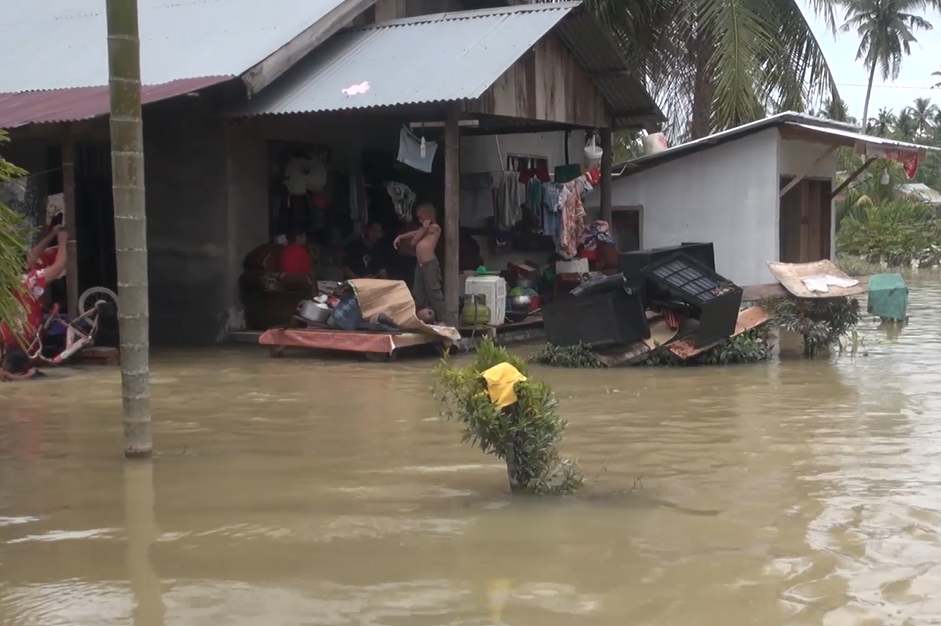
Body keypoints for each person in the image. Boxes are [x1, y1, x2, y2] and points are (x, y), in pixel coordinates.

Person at [1, 226, 68, 355]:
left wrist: (52, 235)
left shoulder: (13, 279)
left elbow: (34, 254)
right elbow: (59, 266)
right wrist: (62, 242)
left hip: (10, 333)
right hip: (23, 336)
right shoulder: (29, 280)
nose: (33, 256)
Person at [394, 203, 444, 324]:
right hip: (420, 265)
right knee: (418, 292)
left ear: (429, 216)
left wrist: (424, 229)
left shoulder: (435, 227)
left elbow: (414, 240)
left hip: (429, 264)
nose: (420, 221)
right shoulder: (424, 229)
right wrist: (400, 237)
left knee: (434, 293)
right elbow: (415, 233)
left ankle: (442, 319)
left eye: (421, 218)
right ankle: (421, 318)